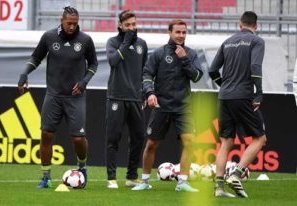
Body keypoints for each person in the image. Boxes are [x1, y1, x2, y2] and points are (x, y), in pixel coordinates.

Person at [17, 6, 98, 189]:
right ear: (62, 20)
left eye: (75, 24)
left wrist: (85, 81)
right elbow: (35, 58)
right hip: (53, 95)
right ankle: (45, 177)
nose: (72, 27)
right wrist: (24, 74)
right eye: (69, 23)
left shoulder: (85, 40)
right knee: (46, 134)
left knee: (78, 138)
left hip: (75, 96)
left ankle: (82, 166)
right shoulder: (49, 37)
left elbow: (93, 64)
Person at [132, 19, 203, 192]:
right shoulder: (159, 53)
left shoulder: (191, 54)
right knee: (151, 145)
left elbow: (196, 77)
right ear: (170, 32)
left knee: (189, 143)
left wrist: (184, 59)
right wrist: (150, 93)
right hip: (161, 106)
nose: (181, 35)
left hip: (182, 107)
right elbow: (147, 74)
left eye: (184, 32)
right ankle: (144, 181)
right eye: (178, 32)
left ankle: (182, 182)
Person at [209, 11, 267, 198]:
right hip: (243, 96)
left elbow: (212, 70)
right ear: (255, 26)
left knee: (226, 142)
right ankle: (236, 174)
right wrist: (258, 93)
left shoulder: (227, 41)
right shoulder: (257, 41)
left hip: (224, 96)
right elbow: (255, 67)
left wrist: (224, 85)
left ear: (239, 25)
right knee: (260, 139)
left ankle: (218, 188)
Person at [105, 10, 148, 189]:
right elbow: (113, 61)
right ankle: (111, 178)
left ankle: (131, 176)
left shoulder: (142, 44)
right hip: (116, 96)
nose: (131, 28)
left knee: (138, 137)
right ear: (120, 26)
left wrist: (145, 92)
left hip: (135, 98)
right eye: (128, 25)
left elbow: (145, 71)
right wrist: (126, 42)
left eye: (134, 24)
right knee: (113, 138)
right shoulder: (113, 42)